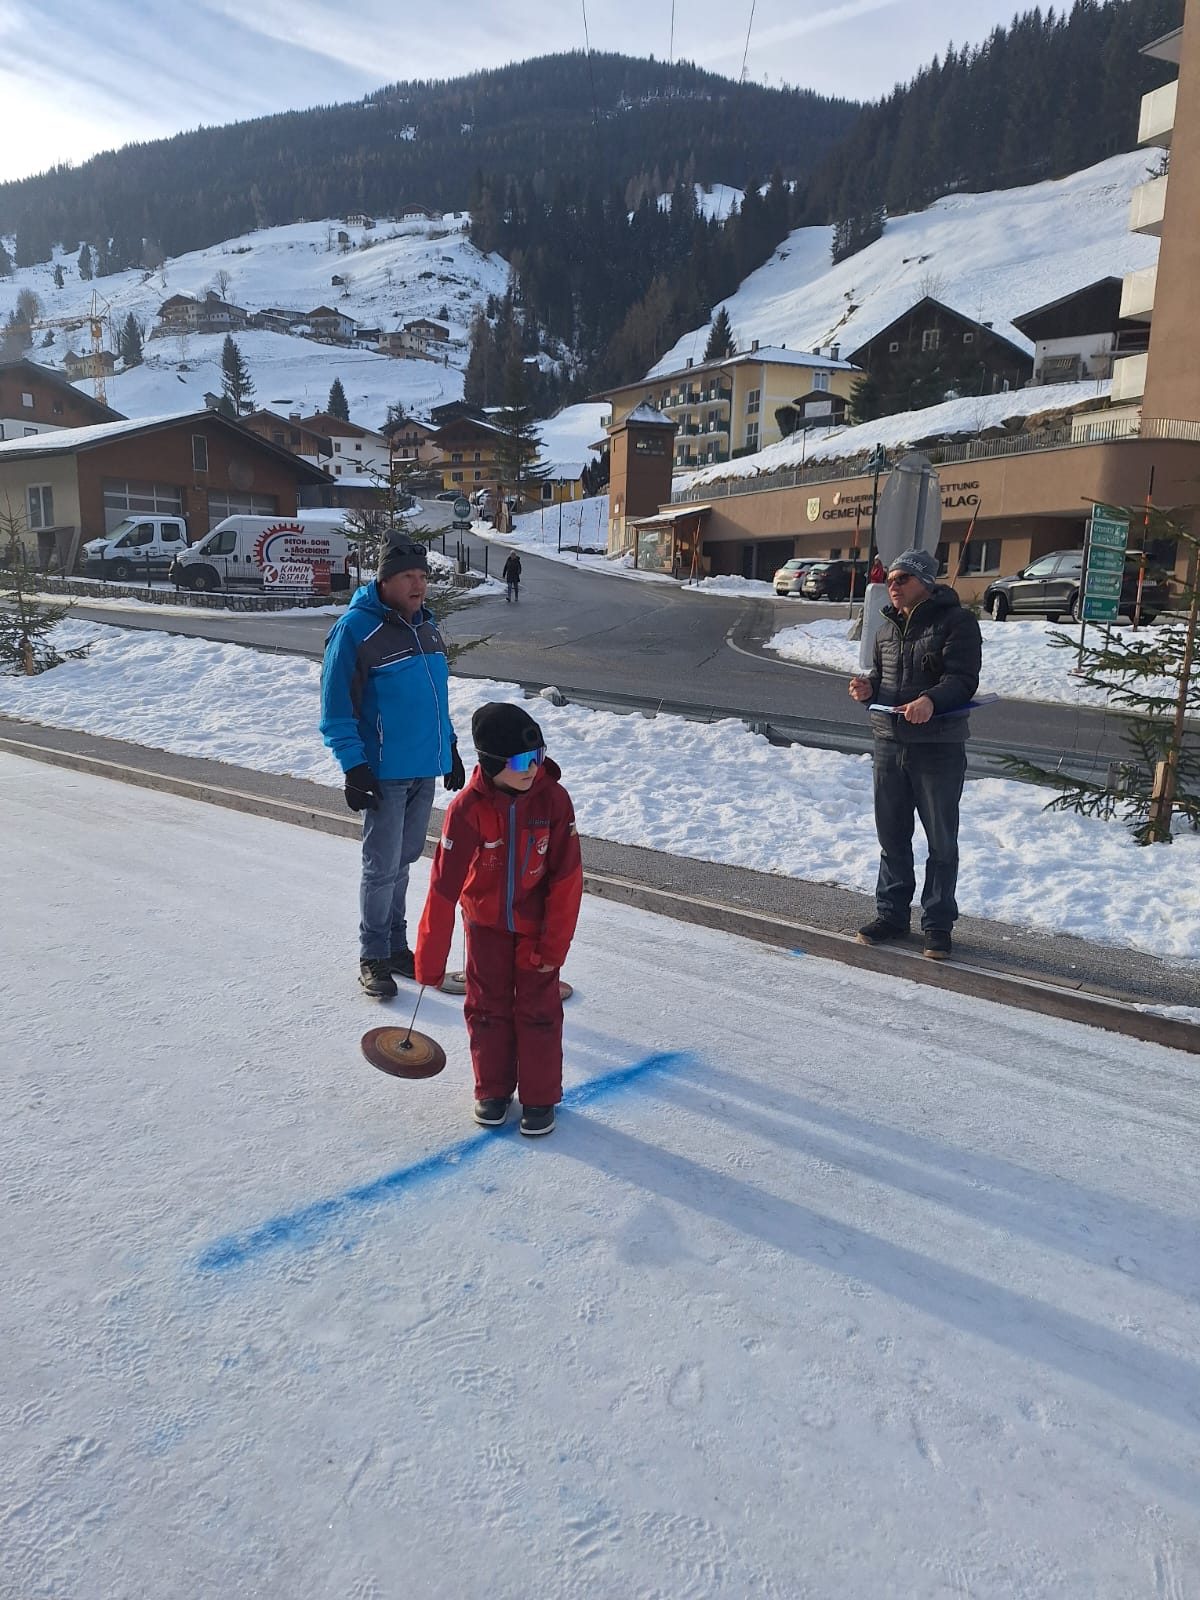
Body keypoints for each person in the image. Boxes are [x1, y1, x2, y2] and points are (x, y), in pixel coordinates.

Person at [415, 702, 583, 1137]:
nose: (533, 768)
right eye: (522, 761)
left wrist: (554, 944)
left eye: (539, 756)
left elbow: (567, 879)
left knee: (539, 1011)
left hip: (536, 929)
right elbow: (443, 887)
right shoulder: (468, 808)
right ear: (491, 764)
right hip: (485, 927)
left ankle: (540, 1097)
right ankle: (492, 1089)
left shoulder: (554, 800)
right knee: (486, 1008)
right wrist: (430, 961)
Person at [321, 537, 466, 1000]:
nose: (419, 584)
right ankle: (372, 955)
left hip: (424, 767)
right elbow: (336, 709)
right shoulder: (355, 631)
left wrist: (451, 750)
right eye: (408, 576)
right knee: (381, 867)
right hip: (384, 771)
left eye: (423, 576)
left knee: (404, 863)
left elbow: (435, 700)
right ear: (384, 580)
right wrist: (354, 767)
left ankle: (396, 946)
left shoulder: (427, 627)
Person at [848, 546, 981, 961]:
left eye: (902, 578)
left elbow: (962, 680)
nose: (893, 585)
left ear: (925, 581)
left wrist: (930, 701)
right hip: (888, 742)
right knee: (892, 835)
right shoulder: (886, 626)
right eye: (889, 579)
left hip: (937, 749)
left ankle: (937, 924)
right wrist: (868, 687)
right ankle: (891, 915)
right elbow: (881, 674)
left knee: (941, 841)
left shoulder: (957, 622)